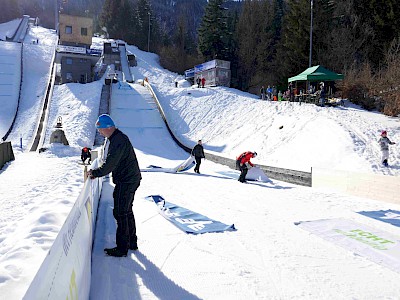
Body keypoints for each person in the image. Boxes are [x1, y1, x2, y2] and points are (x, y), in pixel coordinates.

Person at [87, 114, 142, 257]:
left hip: (127, 180)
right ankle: (131, 242)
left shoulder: (118, 141)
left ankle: (122, 248)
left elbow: (110, 164)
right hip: (129, 179)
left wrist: (95, 173)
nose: (99, 132)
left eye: (100, 129)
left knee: (120, 212)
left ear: (108, 128)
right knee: (126, 210)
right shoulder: (116, 138)